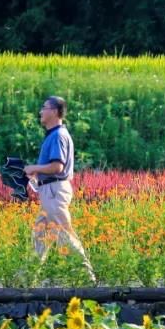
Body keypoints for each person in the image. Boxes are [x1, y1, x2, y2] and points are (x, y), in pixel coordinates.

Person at [22, 96, 97, 284]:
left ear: (54, 111)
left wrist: (34, 168)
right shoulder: (54, 135)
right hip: (50, 190)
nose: (40, 111)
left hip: (55, 191)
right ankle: (26, 279)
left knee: (64, 232)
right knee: (40, 235)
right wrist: (37, 176)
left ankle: (87, 277)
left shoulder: (58, 136)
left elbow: (57, 167)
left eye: (44, 108)